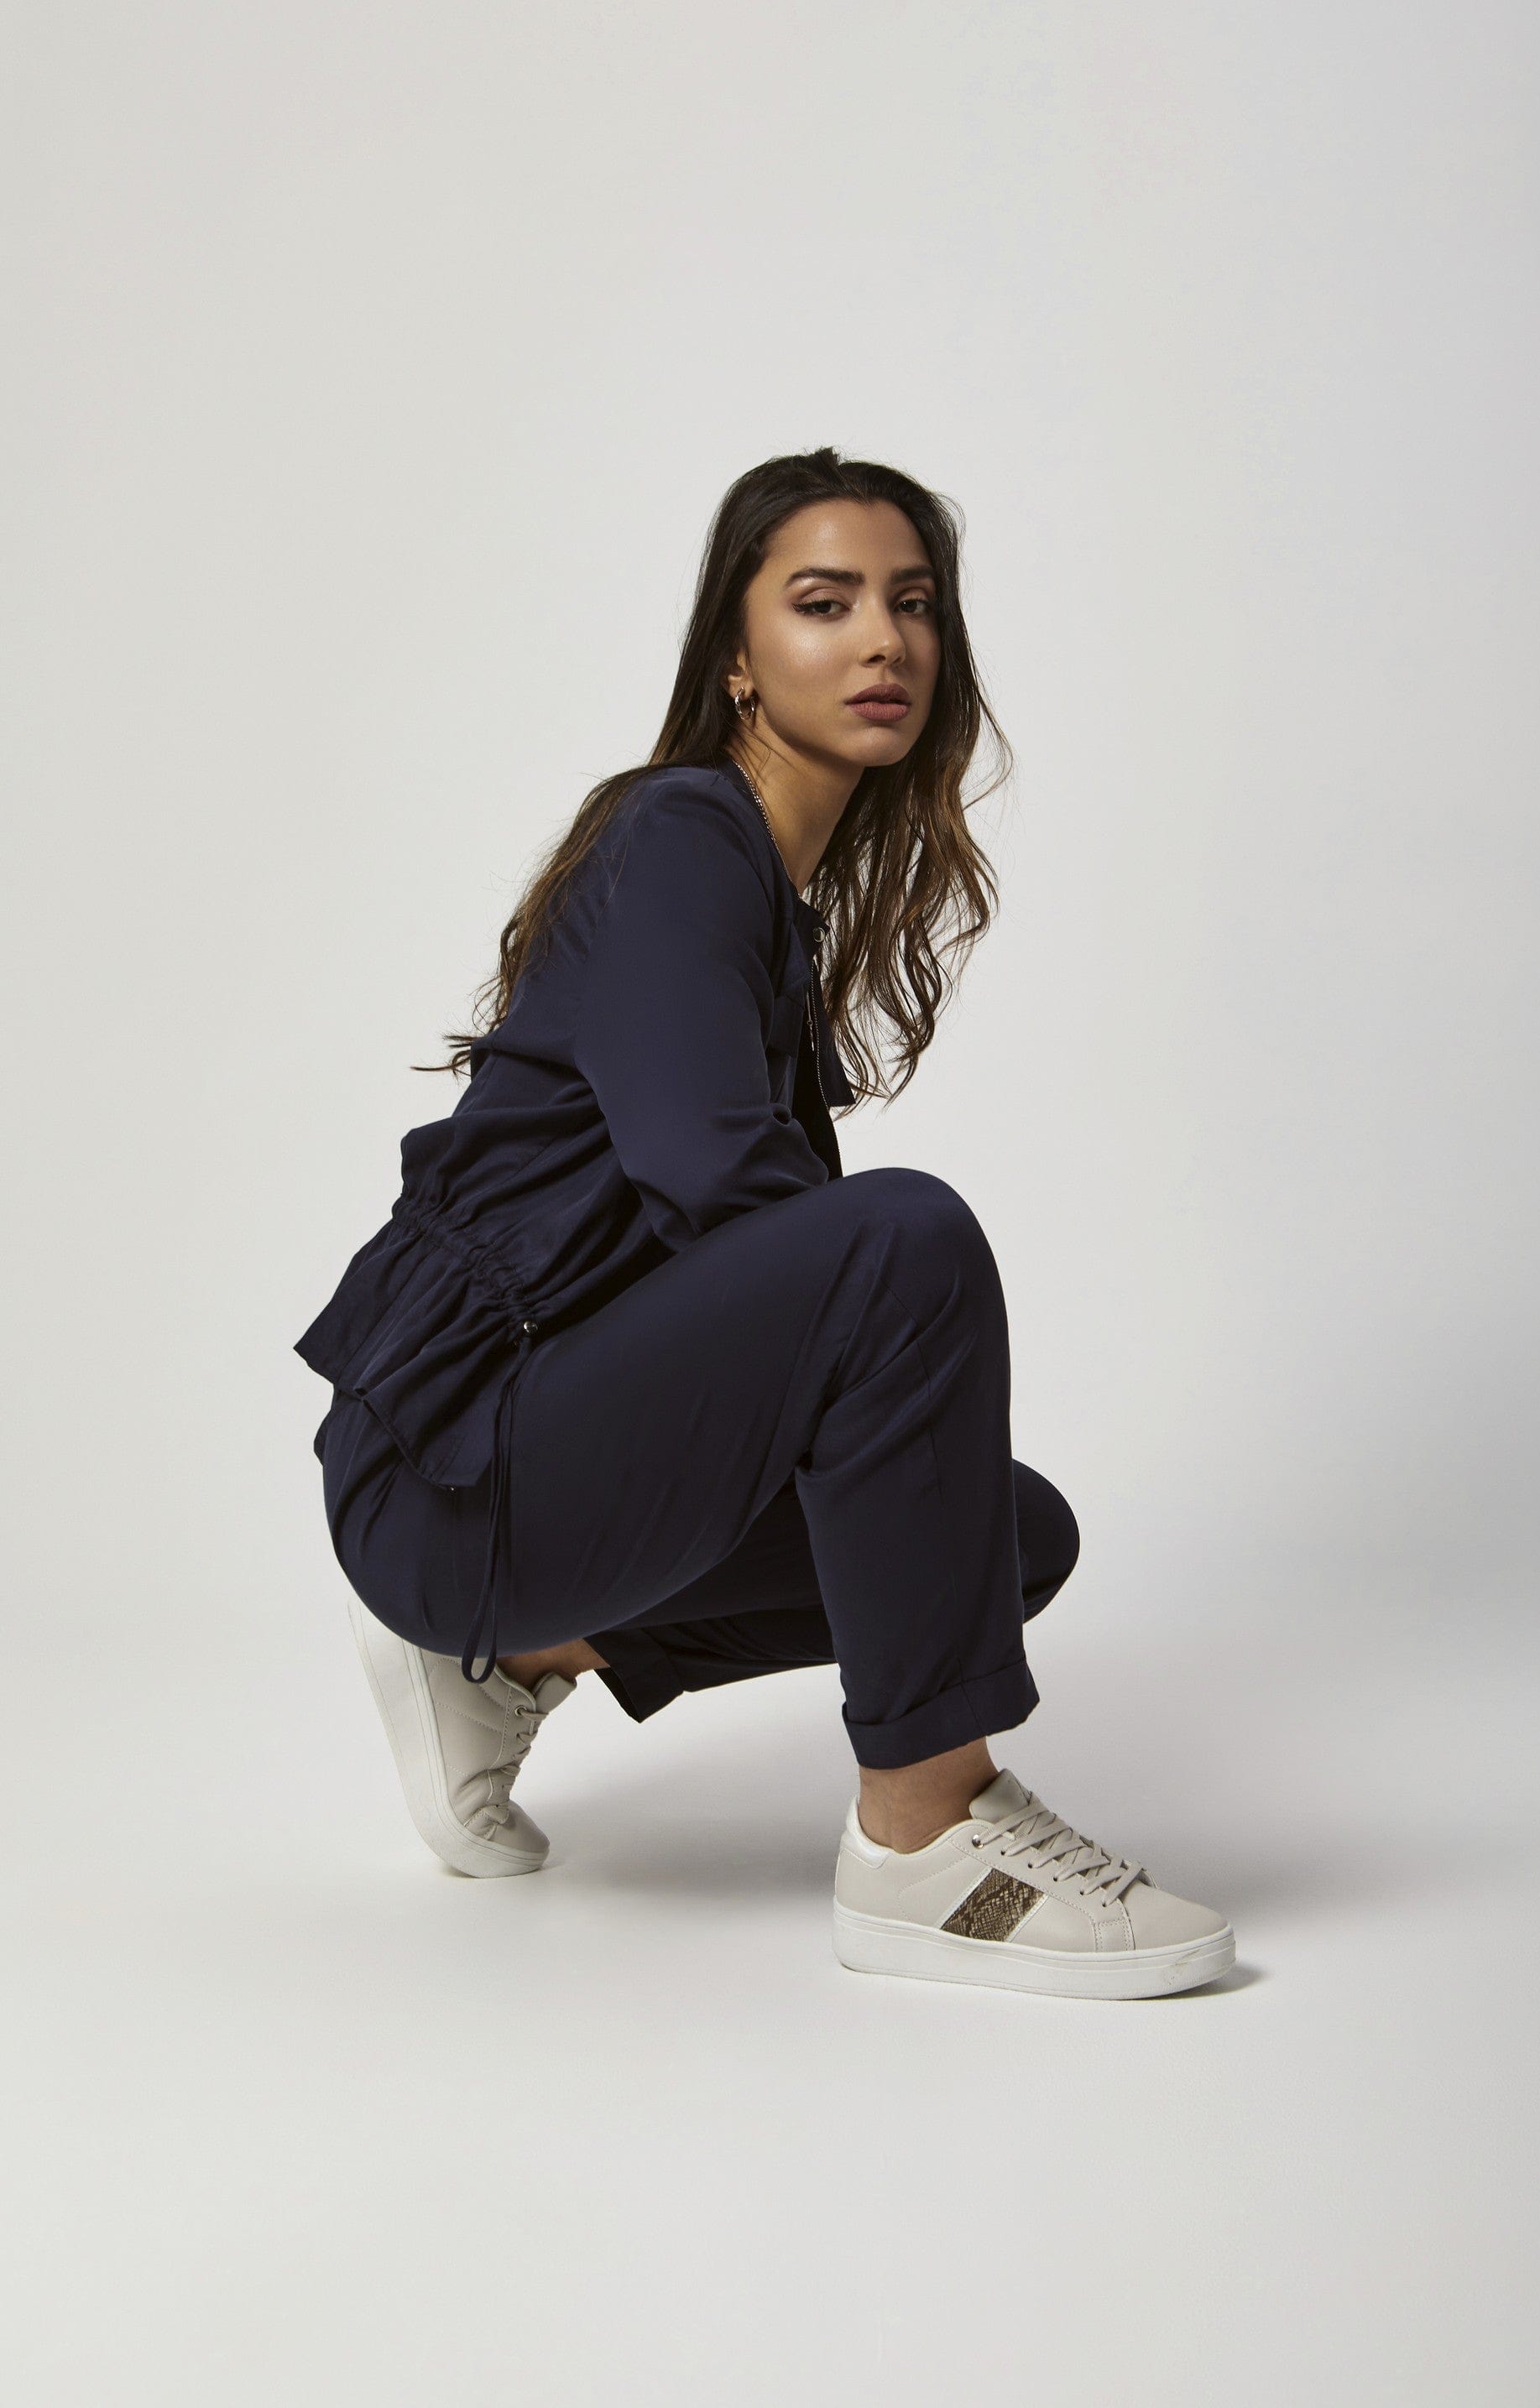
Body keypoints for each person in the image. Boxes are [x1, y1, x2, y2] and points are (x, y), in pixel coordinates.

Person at [295, 446, 1235, 2000]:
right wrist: (873, 1374)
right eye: (825, 603)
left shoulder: (766, 896)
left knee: (1001, 1539)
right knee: (899, 1241)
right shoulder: (682, 835)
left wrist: (884, 1444)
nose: (885, 640)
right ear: (737, 656)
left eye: (913, 604)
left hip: (527, 1486)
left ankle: (518, 1660)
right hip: (456, 1470)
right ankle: (931, 1839)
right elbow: (719, 1187)